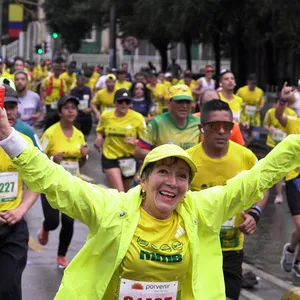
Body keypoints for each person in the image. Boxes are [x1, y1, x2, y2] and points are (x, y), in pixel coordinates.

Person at [0, 83, 300, 299]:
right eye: (163, 172)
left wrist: (295, 144)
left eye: (182, 176)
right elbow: (56, 181)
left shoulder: (200, 208)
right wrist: (8, 137)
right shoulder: (111, 208)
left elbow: (256, 178)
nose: (172, 182)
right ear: (143, 180)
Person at [187, 100, 267, 300]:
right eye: (214, 126)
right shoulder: (188, 160)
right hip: (198, 248)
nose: (222, 131)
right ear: (202, 128)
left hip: (231, 248)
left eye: (228, 126)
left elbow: (264, 187)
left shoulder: (245, 157)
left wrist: (254, 214)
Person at [38, 95, 88, 269]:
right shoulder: (50, 133)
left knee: (69, 222)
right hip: (52, 185)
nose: (70, 111)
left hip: (71, 185)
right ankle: (45, 227)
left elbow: (81, 164)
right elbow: (39, 159)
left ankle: (61, 255)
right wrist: (53, 159)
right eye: (66, 108)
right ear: (60, 112)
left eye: (73, 108)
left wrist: (83, 158)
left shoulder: (80, 135)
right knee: (53, 223)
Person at [0, 85, 39, 300]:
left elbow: (37, 182)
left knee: (9, 287)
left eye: (12, 107)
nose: (8, 112)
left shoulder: (23, 143)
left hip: (13, 227)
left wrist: (21, 210)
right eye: (3, 107)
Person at [94, 89, 146, 192]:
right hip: (110, 156)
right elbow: (100, 130)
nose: (123, 104)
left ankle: (116, 207)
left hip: (129, 159)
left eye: (127, 101)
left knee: (125, 192)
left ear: (130, 103)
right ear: (115, 103)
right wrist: (99, 137)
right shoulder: (106, 116)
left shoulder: (137, 118)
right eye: (120, 101)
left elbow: (146, 140)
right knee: (120, 191)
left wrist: (135, 141)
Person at [134, 84, 200, 159]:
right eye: (180, 102)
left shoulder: (198, 123)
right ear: (169, 103)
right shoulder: (158, 123)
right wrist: (164, 158)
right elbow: (138, 151)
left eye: (187, 102)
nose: (184, 106)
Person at [275, 83, 300, 277]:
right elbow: (278, 116)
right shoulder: (294, 122)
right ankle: (292, 250)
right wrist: (283, 99)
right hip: (295, 179)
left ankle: (295, 257)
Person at [263, 100, 296, 204]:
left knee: (284, 169)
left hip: (286, 146)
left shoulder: (291, 113)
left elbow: (293, 128)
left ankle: (281, 191)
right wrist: (269, 128)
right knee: (276, 169)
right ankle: (278, 193)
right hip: (272, 143)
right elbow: (265, 124)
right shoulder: (270, 112)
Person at [237, 74, 264, 139]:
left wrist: (260, 107)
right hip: (243, 118)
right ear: (248, 82)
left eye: (255, 83)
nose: (253, 85)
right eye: (251, 83)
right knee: (243, 137)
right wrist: (241, 105)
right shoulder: (241, 90)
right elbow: (236, 101)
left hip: (255, 119)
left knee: (255, 137)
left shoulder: (260, 91)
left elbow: (262, 103)